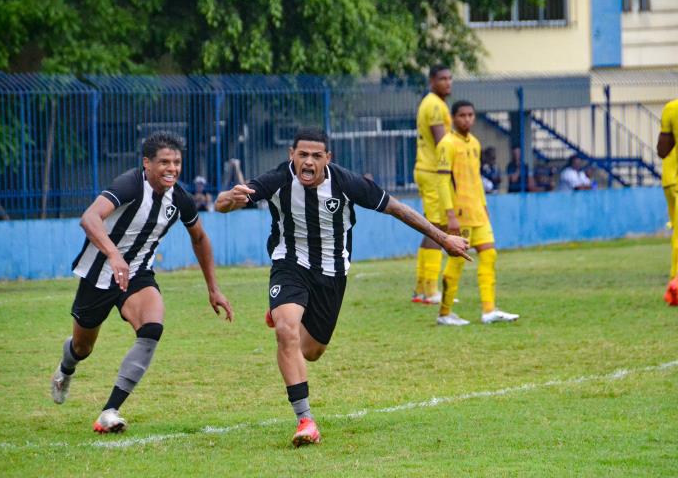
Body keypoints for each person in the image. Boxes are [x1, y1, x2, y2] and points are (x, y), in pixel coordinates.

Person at [214, 127, 470, 446]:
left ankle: (284, 312)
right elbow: (223, 204)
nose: (308, 162)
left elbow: (396, 208)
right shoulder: (277, 179)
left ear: (327, 158)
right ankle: (305, 419)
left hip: (332, 273)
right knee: (286, 332)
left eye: (316, 156)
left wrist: (443, 238)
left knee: (311, 351)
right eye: (302, 155)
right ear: (291, 155)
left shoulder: (346, 182)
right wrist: (229, 198)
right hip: (289, 264)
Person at [50, 131, 233, 432]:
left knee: (152, 327)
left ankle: (110, 411)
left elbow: (199, 237)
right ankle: (66, 368)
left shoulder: (180, 198)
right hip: (98, 274)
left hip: (137, 275)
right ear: (146, 163)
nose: (171, 168)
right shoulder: (130, 184)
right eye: (164, 162)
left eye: (176, 162)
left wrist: (213, 288)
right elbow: (90, 218)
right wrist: (113, 254)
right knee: (83, 347)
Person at [434, 101, 519, 326]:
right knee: (456, 263)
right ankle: (444, 313)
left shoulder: (475, 143)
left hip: (477, 212)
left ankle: (489, 310)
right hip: (459, 213)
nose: (467, 119)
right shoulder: (447, 144)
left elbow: (476, 180)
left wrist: (484, 206)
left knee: (489, 255)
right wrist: (450, 214)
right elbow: (442, 182)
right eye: (462, 115)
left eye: (471, 115)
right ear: (453, 117)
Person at [412, 64, 453, 305]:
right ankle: (430, 290)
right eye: (443, 79)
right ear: (431, 81)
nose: (448, 83)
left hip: (425, 169)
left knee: (431, 225)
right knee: (436, 228)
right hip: (432, 171)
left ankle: (420, 289)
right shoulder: (435, 105)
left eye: (450, 78)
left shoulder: (432, 102)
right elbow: (442, 142)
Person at [657, 98, 678, 304]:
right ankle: (675, 286)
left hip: (670, 181)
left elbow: (662, 150)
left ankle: (675, 282)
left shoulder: (672, 108)